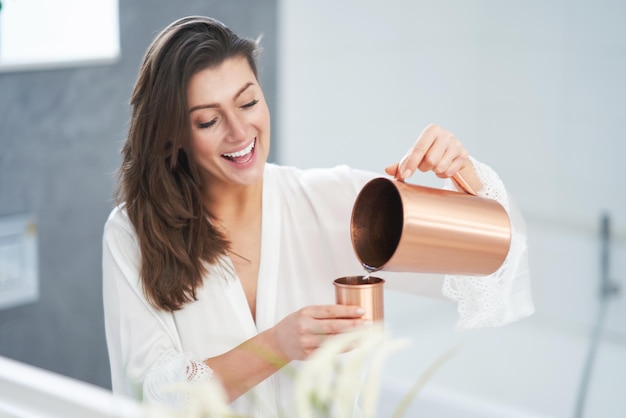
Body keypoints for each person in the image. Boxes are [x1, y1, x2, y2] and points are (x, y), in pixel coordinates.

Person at [102, 15, 534, 417]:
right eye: (209, 120)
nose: (239, 131)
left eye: (248, 102)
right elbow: (152, 397)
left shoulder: (342, 203)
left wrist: (468, 179)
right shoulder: (132, 234)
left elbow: (496, 269)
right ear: (173, 136)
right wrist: (276, 344)